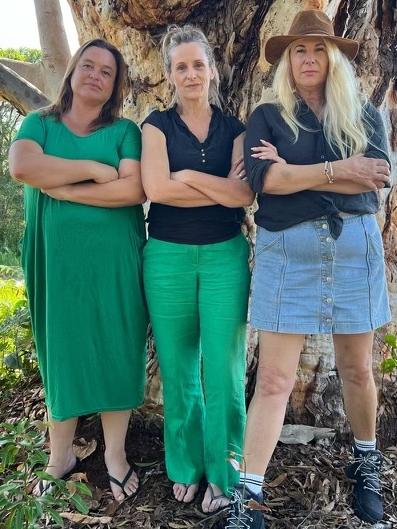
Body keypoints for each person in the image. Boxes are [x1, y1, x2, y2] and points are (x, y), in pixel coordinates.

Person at [225, 8, 391, 529]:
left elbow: (378, 176)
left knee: (358, 369)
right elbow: (264, 183)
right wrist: (341, 169)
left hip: (353, 247)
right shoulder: (268, 115)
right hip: (285, 251)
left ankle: (366, 463)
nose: (309, 58)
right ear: (287, 61)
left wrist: (295, 171)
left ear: (335, 57)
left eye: (320, 48)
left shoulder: (364, 113)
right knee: (274, 379)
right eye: (299, 49)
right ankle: (247, 499)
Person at [8, 39, 148, 501]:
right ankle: (59, 456)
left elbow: (132, 191)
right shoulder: (39, 123)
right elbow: (24, 167)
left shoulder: (126, 131)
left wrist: (66, 189)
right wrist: (91, 167)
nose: (95, 75)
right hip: (56, 260)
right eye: (87, 65)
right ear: (71, 72)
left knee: (116, 344)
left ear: (114, 86)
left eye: (106, 72)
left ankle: (115, 455)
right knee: (62, 348)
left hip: (115, 261)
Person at [141, 25, 254, 513]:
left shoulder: (237, 129)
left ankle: (225, 472)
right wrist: (208, 183)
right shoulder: (154, 126)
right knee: (180, 368)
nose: (191, 73)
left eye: (198, 64)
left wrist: (183, 174)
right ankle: (185, 466)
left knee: (224, 370)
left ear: (212, 70)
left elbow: (243, 195)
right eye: (181, 66)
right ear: (170, 75)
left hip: (226, 257)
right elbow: (157, 190)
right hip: (165, 257)